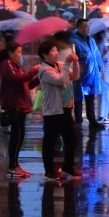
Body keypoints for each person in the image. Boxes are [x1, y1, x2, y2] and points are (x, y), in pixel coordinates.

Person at [37, 35, 81, 182]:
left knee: (71, 137)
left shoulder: (60, 65)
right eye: (53, 51)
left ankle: (68, 166)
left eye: (57, 50)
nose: (56, 53)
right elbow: (60, 80)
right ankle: (49, 171)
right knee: (50, 140)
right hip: (53, 111)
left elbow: (74, 77)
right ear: (45, 55)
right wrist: (68, 63)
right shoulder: (44, 70)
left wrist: (75, 63)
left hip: (65, 108)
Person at [0, 41, 39, 178]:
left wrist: (38, 78)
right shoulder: (7, 64)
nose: (20, 55)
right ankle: (12, 166)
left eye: (21, 52)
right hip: (15, 105)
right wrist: (34, 70)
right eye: (18, 52)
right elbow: (17, 79)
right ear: (10, 53)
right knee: (17, 136)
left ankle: (15, 165)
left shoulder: (15, 66)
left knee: (19, 136)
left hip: (21, 105)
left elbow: (26, 84)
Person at [71, 18, 104, 128]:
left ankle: (92, 120)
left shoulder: (91, 40)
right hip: (80, 75)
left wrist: (100, 68)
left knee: (90, 98)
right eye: (85, 27)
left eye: (88, 26)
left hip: (92, 74)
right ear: (79, 27)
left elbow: (97, 55)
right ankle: (78, 121)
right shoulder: (74, 41)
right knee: (78, 99)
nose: (88, 29)